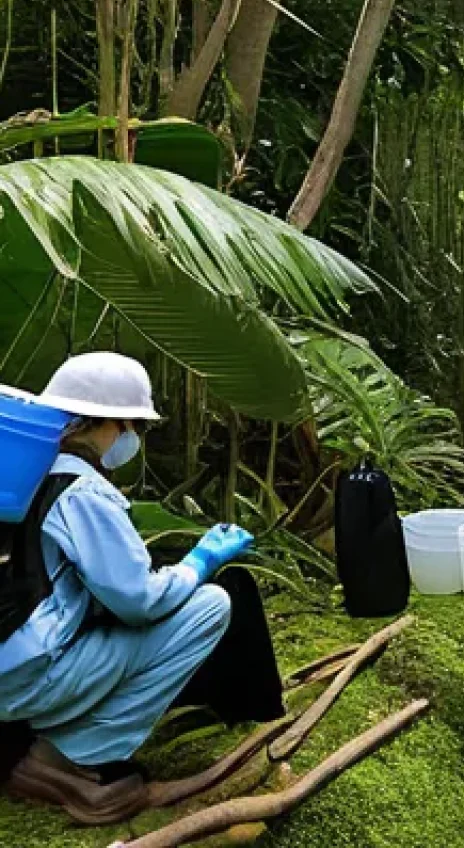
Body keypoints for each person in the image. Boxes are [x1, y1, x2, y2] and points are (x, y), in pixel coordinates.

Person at [0, 352, 273, 825]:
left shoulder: (28, 475)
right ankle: (71, 754)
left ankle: (61, 730)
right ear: (107, 423)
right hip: (30, 676)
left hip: (13, 658)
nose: (133, 439)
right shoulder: (82, 491)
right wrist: (199, 562)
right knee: (209, 606)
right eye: (133, 427)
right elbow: (137, 602)